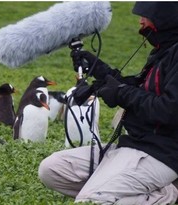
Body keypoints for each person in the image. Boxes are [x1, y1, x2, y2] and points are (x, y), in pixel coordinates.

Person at [38, 2, 178, 204]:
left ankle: (168, 193)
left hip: (161, 154)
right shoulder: (164, 49)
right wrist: (100, 71)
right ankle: (155, 191)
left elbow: (169, 111)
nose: (140, 20)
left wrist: (120, 93)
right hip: (134, 145)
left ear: (164, 16)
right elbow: (140, 90)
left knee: (90, 201)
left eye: (145, 15)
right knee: (52, 170)